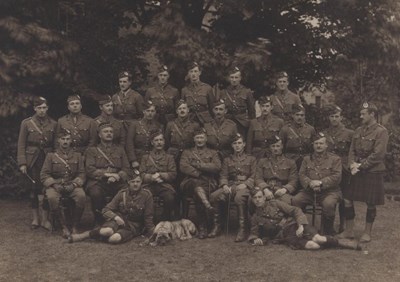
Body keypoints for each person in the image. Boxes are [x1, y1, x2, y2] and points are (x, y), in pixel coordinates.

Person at [338, 102, 389, 243]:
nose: (360, 116)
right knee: (347, 198)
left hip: (372, 171)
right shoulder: (358, 130)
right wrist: (351, 164)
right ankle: (349, 231)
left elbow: (378, 154)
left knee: (370, 202)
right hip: (356, 170)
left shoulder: (381, 131)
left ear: (372, 114)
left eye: (363, 114)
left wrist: (360, 166)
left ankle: (367, 232)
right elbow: (351, 150)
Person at [248, 189, 360, 250]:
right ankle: (333, 242)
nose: (258, 200)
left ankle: (345, 244)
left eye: (259, 197)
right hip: (287, 235)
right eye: (255, 198)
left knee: (318, 238)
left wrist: (301, 225)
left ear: (264, 197)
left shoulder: (275, 203)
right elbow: (254, 234)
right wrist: (256, 240)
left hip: (295, 224)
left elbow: (296, 210)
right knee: (314, 245)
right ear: (252, 200)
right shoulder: (255, 218)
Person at [68, 171, 155, 244]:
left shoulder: (147, 195)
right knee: (107, 231)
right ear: (128, 182)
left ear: (141, 183)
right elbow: (106, 210)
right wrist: (116, 217)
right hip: (118, 220)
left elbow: (148, 217)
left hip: (132, 226)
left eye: (138, 182)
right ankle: (84, 236)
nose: (135, 184)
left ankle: (102, 237)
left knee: (114, 239)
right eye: (133, 182)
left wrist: (152, 233)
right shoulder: (122, 193)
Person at [17, 96, 56, 230]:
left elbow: (55, 145)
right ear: (34, 108)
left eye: (44, 108)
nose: (42, 110)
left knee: (46, 189)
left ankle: (45, 219)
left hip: (47, 159)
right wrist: (22, 163)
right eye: (39, 108)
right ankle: (35, 218)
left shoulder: (53, 123)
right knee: (33, 190)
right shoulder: (26, 123)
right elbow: (21, 144)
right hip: (31, 160)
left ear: (47, 108)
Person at [292, 132, 342, 235]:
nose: (318, 146)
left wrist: (320, 183)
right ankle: (300, 228)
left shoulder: (335, 159)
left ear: (326, 145)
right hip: (309, 191)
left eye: (321, 143)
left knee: (328, 204)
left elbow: (337, 177)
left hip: (329, 191)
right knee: (296, 200)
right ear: (313, 145)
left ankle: (328, 231)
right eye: (316, 143)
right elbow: (301, 174)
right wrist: (310, 183)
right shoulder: (306, 159)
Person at [208, 133, 256, 242]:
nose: (237, 146)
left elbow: (254, 175)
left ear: (244, 144)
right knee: (214, 196)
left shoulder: (251, 159)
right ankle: (217, 226)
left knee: (239, 198)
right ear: (232, 146)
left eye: (239, 143)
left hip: (245, 187)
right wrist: (224, 185)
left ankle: (242, 229)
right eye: (235, 143)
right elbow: (223, 175)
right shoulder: (227, 160)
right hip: (231, 186)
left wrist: (246, 184)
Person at [40, 129, 86, 237]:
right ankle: (64, 226)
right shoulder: (51, 156)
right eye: (63, 139)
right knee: (51, 198)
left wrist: (74, 185)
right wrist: (54, 185)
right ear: (58, 141)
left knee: (81, 196)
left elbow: (82, 174)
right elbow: (44, 174)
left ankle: (75, 226)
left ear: (71, 141)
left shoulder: (77, 155)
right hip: (55, 185)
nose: (65, 141)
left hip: (72, 185)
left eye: (68, 139)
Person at [85, 123, 130, 226]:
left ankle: (120, 219)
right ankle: (99, 220)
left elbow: (126, 168)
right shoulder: (92, 150)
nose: (109, 134)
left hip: (117, 180)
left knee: (126, 191)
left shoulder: (120, 149)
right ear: (100, 135)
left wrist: (118, 176)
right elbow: (90, 169)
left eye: (111, 132)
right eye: (106, 132)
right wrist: (107, 175)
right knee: (95, 194)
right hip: (98, 181)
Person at [180, 128, 221, 239]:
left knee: (197, 192)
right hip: (189, 181)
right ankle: (205, 218)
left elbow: (217, 167)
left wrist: (199, 165)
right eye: (197, 137)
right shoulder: (187, 152)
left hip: (208, 182)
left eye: (202, 137)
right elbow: (183, 166)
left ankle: (203, 227)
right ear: (194, 139)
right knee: (195, 184)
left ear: (206, 139)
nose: (199, 140)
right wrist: (199, 173)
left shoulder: (213, 152)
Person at [322, 105, 354, 232]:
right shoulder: (324, 133)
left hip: (344, 169)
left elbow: (353, 151)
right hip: (329, 169)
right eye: (332, 116)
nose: (334, 119)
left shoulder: (349, 133)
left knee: (345, 197)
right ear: (328, 118)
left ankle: (343, 225)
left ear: (341, 118)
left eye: (337, 116)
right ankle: (328, 225)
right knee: (329, 195)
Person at [139, 131, 177, 221]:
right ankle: (146, 221)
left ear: (164, 142)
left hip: (164, 186)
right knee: (142, 196)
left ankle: (164, 220)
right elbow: (141, 174)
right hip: (148, 186)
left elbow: (173, 174)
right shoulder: (145, 157)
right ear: (152, 142)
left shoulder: (169, 157)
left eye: (161, 140)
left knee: (170, 197)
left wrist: (160, 175)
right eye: (156, 140)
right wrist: (151, 178)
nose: (159, 142)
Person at [254, 135, 298, 205]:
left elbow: (294, 180)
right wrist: (265, 189)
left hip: (282, 190)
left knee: (288, 202)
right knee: (253, 200)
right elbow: (258, 178)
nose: (275, 149)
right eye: (273, 146)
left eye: (278, 146)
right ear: (270, 148)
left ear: (282, 146)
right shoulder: (262, 161)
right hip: (266, 190)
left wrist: (285, 189)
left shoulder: (290, 162)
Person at [218, 66, 255, 135]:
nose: (234, 80)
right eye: (232, 77)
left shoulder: (246, 92)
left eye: (236, 77)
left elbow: (251, 111)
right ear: (229, 78)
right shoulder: (223, 92)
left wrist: (251, 124)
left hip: (242, 122)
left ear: (240, 78)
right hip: (228, 122)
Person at [126, 100, 163, 169]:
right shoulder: (135, 125)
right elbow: (129, 143)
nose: (150, 113)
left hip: (153, 158)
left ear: (155, 112)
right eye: (148, 111)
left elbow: (161, 144)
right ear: (143, 111)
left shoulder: (158, 126)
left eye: (152, 111)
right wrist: (133, 160)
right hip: (138, 157)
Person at [279, 104, 316, 169]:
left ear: (304, 116)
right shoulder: (285, 129)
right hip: (290, 160)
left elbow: (314, 148)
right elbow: (281, 148)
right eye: (297, 115)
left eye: (302, 115)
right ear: (293, 115)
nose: (299, 117)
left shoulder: (310, 129)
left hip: (306, 161)